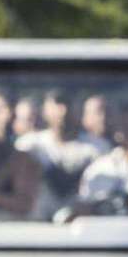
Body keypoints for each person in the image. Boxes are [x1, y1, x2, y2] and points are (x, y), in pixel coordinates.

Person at [15, 90, 100, 219]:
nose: (63, 111)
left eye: (67, 105)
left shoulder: (96, 146)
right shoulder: (28, 144)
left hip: (81, 223)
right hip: (36, 223)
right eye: (56, 105)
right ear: (44, 111)